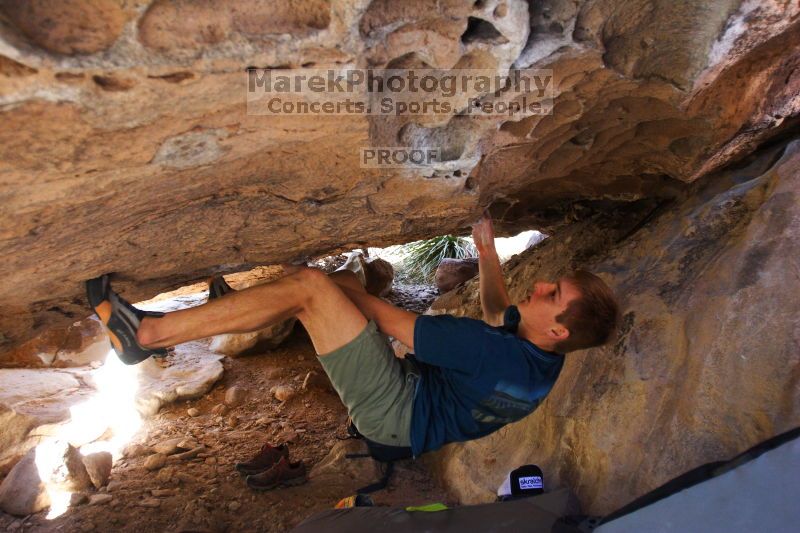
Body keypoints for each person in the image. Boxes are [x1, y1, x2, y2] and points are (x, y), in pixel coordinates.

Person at [86, 213, 619, 461]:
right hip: (416, 414)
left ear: (556, 326)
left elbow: (389, 319)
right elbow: (500, 310)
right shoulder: (541, 357)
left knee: (315, 289)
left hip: (395, 413)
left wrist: (330, 288)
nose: (543, 284)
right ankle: (233, 307)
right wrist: (484, 254)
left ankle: (147, 334)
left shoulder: (485, 352)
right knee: (329, 285)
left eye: (552, 294)